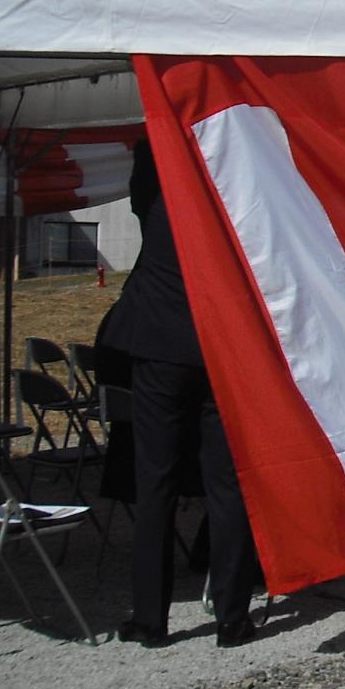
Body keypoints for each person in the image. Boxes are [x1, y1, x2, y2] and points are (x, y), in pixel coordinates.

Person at [106, 138, 259, 648]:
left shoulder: (156, 185)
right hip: (222, 348)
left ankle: (151, 619)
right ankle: (233, 618)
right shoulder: (238, 191)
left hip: (162, 344)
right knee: (228, 487)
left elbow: (140, 182)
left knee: (156, 486)